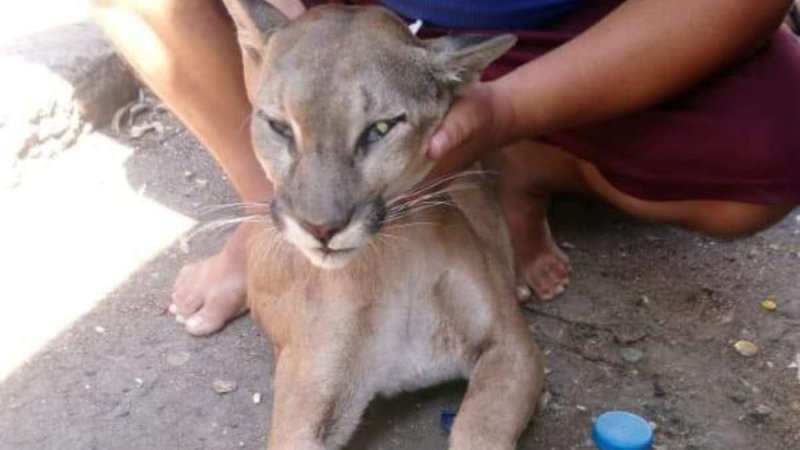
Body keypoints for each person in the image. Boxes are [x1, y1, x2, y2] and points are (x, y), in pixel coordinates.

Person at [90, 0, 800, 335]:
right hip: (342, 15)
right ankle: (266, 216)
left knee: (766, 162)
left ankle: (534, 162)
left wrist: (511, 111)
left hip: (576, 19)